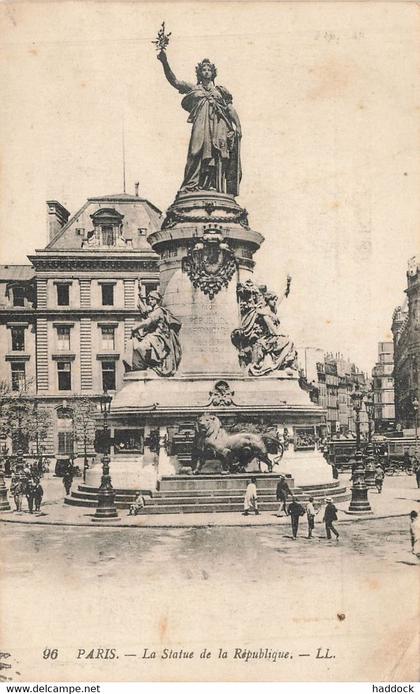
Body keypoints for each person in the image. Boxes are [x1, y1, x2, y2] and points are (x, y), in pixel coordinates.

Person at [157, 50, 242, 195]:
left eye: (209, 69)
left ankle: (212, 185)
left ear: (213, 73)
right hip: (200, 126)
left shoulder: (220, 91)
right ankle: (193, 184)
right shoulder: (194, 88)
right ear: (199, 72)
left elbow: (229, 109)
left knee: (216, 154)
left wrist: (238, 125)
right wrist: (164, 62)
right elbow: (175, 81)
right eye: (204, 69)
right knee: (195, 151)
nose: (207, 72)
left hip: (218, 127)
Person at [124, 291, 182, 377]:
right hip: (153, 334)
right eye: (149, 299)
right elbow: (145, 313)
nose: (150, 301)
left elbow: (148, 322)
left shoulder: (159, 311)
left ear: (157, 300)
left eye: (152, 299)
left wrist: (135, 327)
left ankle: (153, 363)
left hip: (160, 335)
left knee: (142, 345)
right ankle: (145, 364)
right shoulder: (153, 311)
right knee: (136, 343)